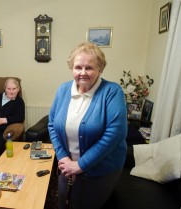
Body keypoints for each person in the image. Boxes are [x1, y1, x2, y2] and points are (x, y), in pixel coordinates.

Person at [48, 42, 127, 209]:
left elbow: (115, 134)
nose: (82, 73)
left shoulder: (112, 91)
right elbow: (52, 125)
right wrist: (63, 158)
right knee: (63, 202)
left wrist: (80, 165)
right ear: (72, 68)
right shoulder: (63, 90)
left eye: (89, 68)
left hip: (100, 170)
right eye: (78, 67)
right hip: (67, 165)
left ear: (100, 69)